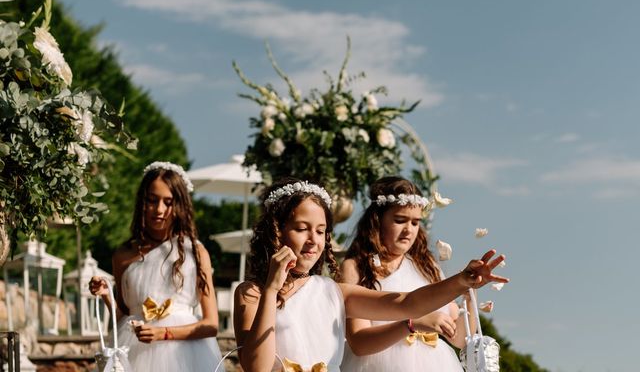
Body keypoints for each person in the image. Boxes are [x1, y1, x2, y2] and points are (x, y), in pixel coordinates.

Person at [233, 177, 508, 372]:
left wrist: (461, 281)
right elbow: (257, 367)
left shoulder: (334, 292)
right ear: (277, 231)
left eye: (320, 231)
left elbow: (405, 304)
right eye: (301, 228)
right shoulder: (251, 293)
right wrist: (271, 290)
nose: (313, 240)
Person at [89, 161, 221, 371]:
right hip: (133, 352)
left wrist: (164, 333)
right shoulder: (123, 255)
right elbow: (124, 318)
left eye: (168, 202)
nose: (159, 210)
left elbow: (211, 324)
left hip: (187, 357)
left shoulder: (195, 252)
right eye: (152, 200)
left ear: (179, 205)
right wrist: (106, 295)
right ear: (142, 202)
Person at [341, 176, 472, 372]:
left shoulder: (428, 267)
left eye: (415, 223)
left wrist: (469, 293)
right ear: (377, 220)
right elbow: (359, 343)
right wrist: (412, 324)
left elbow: (459, 339)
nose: (408, 230)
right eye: (400, 220)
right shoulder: (356, 267)